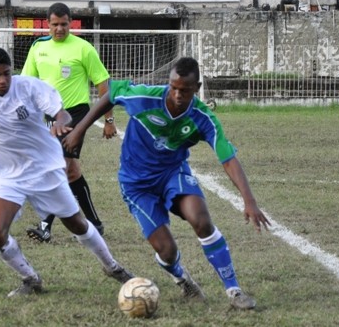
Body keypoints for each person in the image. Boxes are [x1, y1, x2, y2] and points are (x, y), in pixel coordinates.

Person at [62, 57, 271, 309]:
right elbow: (112, 92)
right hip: (136, 185)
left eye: (184, 90)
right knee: (167, 250)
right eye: (173, 87)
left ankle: (234, 291)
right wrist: (79, 130)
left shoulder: (203, 118)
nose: (177, 94)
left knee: (202, 220)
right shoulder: (146, 97)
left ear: (197, 87)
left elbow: (228, 158)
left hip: (173, 173)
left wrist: (249, 201)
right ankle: (182, 279)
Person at [0, 47, 133, 297]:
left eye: (6, 73)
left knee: (77, 224)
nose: (3, 80)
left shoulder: (28, 87)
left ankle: (113, 267)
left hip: (45, 169)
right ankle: (30, 278)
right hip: (7, 176)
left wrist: (60, 122)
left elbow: (62, 112)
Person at [21, 2, 115, 243]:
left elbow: (103, 84)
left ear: (70, 23)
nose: (59, 29)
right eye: (55, 24)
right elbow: (27, 84)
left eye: (64, 24)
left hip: (76, 115)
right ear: (48, 24)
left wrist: (109, 120)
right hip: (49, 116)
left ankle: (45, 226)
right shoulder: (38, 47)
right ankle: (95, 224)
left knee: (59, 167)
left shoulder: (83, 49)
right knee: (71, 172)